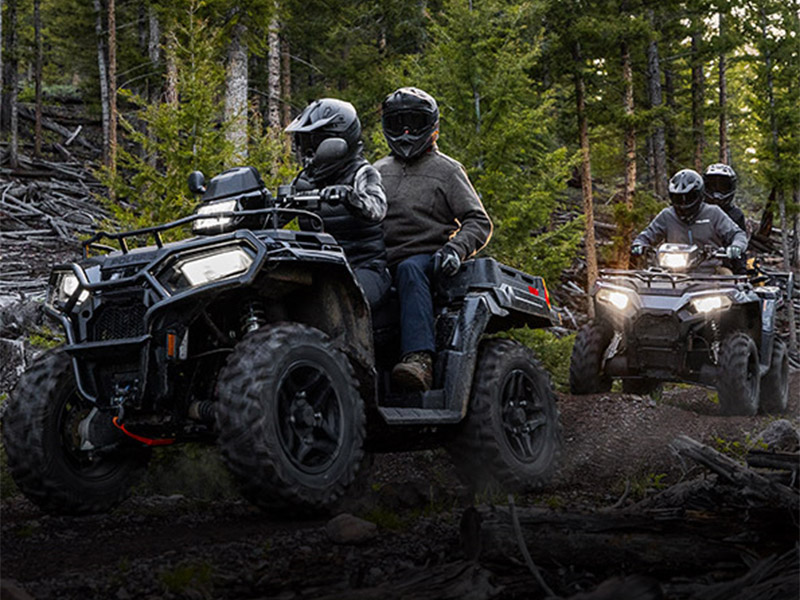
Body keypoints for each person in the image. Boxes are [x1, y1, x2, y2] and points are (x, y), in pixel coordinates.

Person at [375, 87, 493, 391]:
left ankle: (419, 360)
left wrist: (456, 249)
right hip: (377, 259)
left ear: (431, 126)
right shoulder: (375, 171)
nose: (405, 132)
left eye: (413, 123)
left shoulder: (447, 170)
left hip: (427, 261)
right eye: (398, 122)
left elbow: (478, 221)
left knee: (409, 270)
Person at [285, 98, 391, 309]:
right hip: (321, 267)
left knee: (344, 306)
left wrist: (350, 197)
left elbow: (377, 207)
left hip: (363, 266)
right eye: (303, 141)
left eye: (312, 142)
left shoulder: (362, 172)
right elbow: (279, 212)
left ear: (335, 143)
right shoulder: (305, 179)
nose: (306, 150)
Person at [631, 168, 747, 272]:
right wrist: (639, 243)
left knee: (728, 279)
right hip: (671, 272)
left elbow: (737, 234)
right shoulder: (667, 215)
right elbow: (648, 234)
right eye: (678, 198)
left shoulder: (713, 213)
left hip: (710, 272)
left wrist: (736, 246)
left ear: (699, 195)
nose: (683, 203)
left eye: (689, 197)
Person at [703, 163, 747, 273]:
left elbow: (740, 238)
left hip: (721, 265)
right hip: (688, 264)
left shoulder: (736, 214)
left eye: (722, 186)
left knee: (727, 278)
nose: (717, 191)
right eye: (712, 185)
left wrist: (736, 250)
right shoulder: (696, 212)